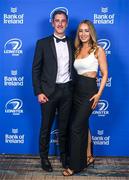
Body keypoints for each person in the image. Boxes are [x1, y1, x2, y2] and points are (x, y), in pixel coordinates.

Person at [63, 19, 108, 176]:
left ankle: (75, 165)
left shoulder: (98, 50)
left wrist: (98, 94)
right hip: (77, 90)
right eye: (80, 31)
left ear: (91, 33)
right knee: (83, 125)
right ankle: (88, 156)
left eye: (86, 30)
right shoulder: (77, 50)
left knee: (75, 127)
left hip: (89, 91)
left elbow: (105, 73)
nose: (83, 34)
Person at [32, 10, 74, 172]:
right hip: (48, 92)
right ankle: (44, 158)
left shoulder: (72, 43)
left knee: (64, 127)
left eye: (63, 21)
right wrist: (38, 92)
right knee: (45, 127)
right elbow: (35, 70)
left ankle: (64, 158)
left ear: (67, 23)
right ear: (52, 23)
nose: (60, 23)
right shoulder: (42, 43)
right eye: (57, 20)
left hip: (67, 92)